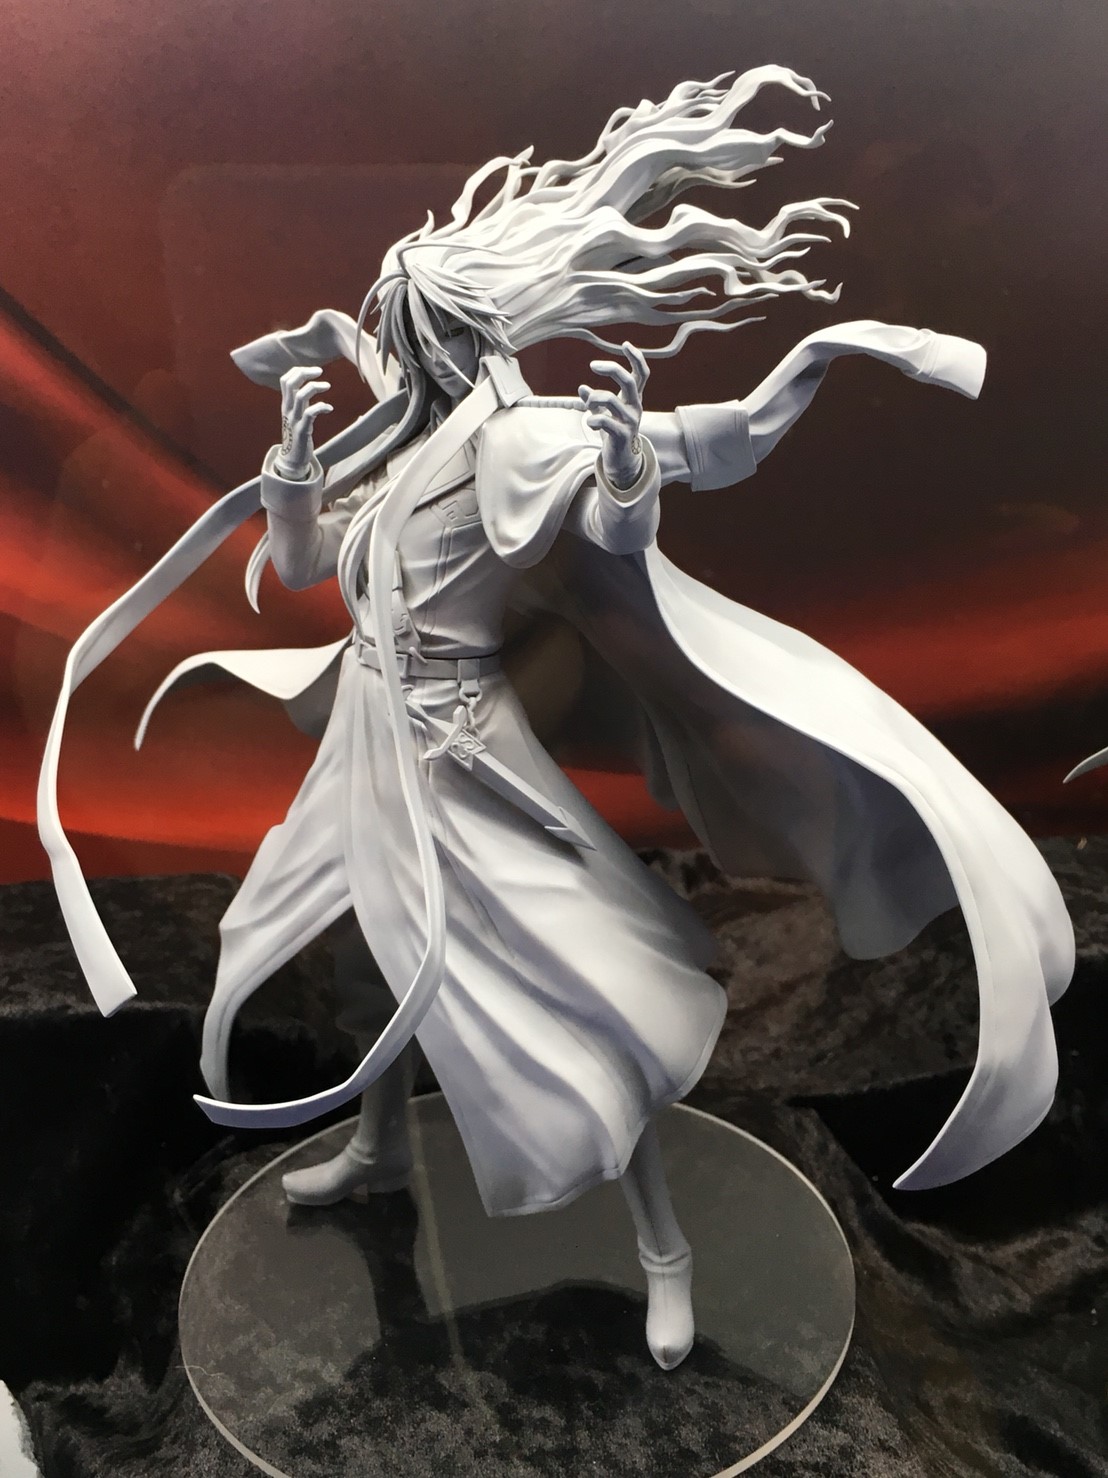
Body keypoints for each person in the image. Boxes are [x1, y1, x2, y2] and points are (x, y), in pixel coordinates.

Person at [39, 66, 1074, 1371]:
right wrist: (294, 476)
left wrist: (670, 447)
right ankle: (378, 1146)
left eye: (412, 329)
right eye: (393, 328)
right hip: (367, 741)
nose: (396, 350)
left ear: (454, 332)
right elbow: (307, 569)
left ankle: (661, 1245)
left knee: (579, 990)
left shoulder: (518, 443)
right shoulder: (399, 451)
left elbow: (694, 461)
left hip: (461, 753)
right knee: (354, 951)